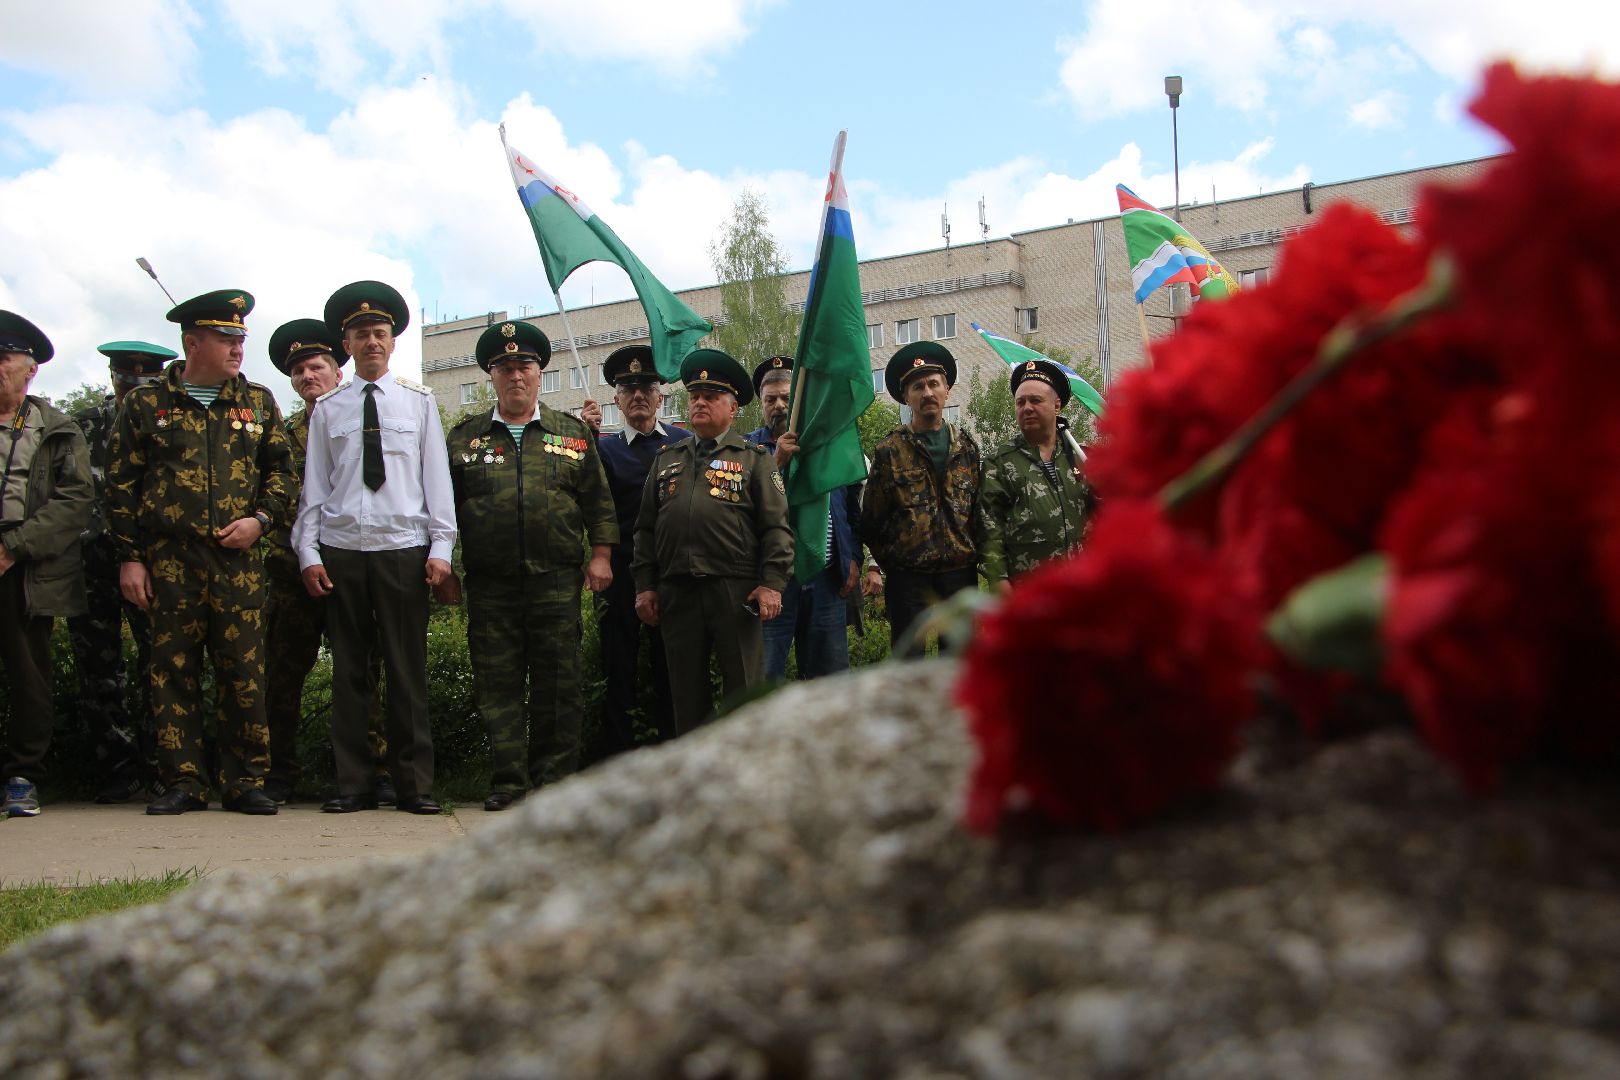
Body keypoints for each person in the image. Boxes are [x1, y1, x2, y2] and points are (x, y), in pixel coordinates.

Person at [106, 290, 295, 816]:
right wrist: (131, 558)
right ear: (192, 342)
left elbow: (283, 472)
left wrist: (260, 521)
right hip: (170, 559)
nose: (238, 348)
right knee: (171, 671)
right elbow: (121, 485)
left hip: (238, 561)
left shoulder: (258, 402)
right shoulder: (146, 404)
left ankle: (244, 781)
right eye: (226, 338)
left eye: (240, 339)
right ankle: (183, 781)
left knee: (243, 671)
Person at [293, 281, 455, 815]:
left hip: (402, 549)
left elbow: (437, 482)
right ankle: (354, 784)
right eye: (361, 334)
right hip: (342, 551)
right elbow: (315, 487)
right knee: (349, 672)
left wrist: (441, 549)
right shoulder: (328, 410)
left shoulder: (420, 402)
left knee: (406, 671)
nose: (371, 342)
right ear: (348, 343)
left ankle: (414, 787)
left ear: (392, 341)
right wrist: (309, 554)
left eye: (379, 333)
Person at [447, 321, 617, 810]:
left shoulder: (572, 434)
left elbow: (597, 502)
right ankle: (508, 780)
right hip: (490, 583)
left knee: (559, 682)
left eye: (524, 366)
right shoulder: (464, 439)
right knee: (496, 682)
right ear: (491, 377)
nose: (515, 375)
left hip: (556, 580)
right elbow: (444, 508)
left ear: (540, 373)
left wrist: (601, 555)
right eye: (504, 368)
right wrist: (443, 565)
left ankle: (554, 781)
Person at [261, 318, 392, 806]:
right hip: (287, 571)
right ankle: (278, 772)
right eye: (297, 372)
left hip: (348, 566)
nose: (307, 377)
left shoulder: (366, 418)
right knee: (281, 676)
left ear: (339, 371)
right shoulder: (279, 434)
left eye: (316, 366)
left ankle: (370, 770)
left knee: (360, 672)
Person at [632, 348, 792, 734]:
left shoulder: (755, 459)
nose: (700, 402)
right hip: (677, 591)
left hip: (734, 590)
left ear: (733, 408)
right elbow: (645, 529)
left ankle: (746, 782)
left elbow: (777, 528)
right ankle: (698, 785)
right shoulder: (666, 458)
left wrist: (772, 584)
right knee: (687, 697)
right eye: (695, 396)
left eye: (711, 396)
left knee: (744, 695)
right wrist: (644, 587)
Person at [69, 341, 174, 803]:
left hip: (151, 559)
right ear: (113, 380)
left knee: (161, 662)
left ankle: (161, 767)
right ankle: (116, 765)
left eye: (144, 381)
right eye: (125, 380)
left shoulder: (170, 422)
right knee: (97, 666)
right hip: (90, 559)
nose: (131, 388)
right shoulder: (83, 426)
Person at [0, 312, 94, 818]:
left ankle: (22, 777)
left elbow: (75, 498)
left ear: (29, 369)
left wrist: (13, 547)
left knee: (28, 672)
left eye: (4, 358)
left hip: (25, 565)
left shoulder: (55, 428)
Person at [580, 344, 691, 751]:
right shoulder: (603, 450)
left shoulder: (685, 444)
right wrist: (585, 439)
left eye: (646, 386)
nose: (638, 395)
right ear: (616, 399)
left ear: (661, 396)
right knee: (619, 668)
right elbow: (587, 502)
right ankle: (618, 756)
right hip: (621, 573)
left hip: (674, 573)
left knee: (673, 668)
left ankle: (673, 753)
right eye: (628, 388)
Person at [742, 355, 863, 680]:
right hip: (774, 583)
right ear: (761, 404)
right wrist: (776, 461)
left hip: (825, 577)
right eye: (771, 400)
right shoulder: (748, 450)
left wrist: (852, 557)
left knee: (830, 679)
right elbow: (743, 508)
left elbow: (851, 504)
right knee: (765, 677)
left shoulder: (827, 443)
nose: (780, 405)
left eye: (787, 397)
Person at [861, 341, 980, 649]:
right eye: (918, 387)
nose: (927, 392)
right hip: (908, 578)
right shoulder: (889, 450)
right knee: (908, 660)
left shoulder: (966, 448)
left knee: (957, 664)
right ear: (906, 397)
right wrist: (897, 560)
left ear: (947, 389)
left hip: (959, 574)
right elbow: (873, 519)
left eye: (933, 384)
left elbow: (978, 512)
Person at [976, 358, 1095, 589]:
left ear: (1057, 406)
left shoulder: (1081, 456)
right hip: (1028, 588)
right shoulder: (1000, 461)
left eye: (1036, 400)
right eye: (1020, 402)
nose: (1027, 408)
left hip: (1082, 584)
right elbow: (990, 529)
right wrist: (999, 582)